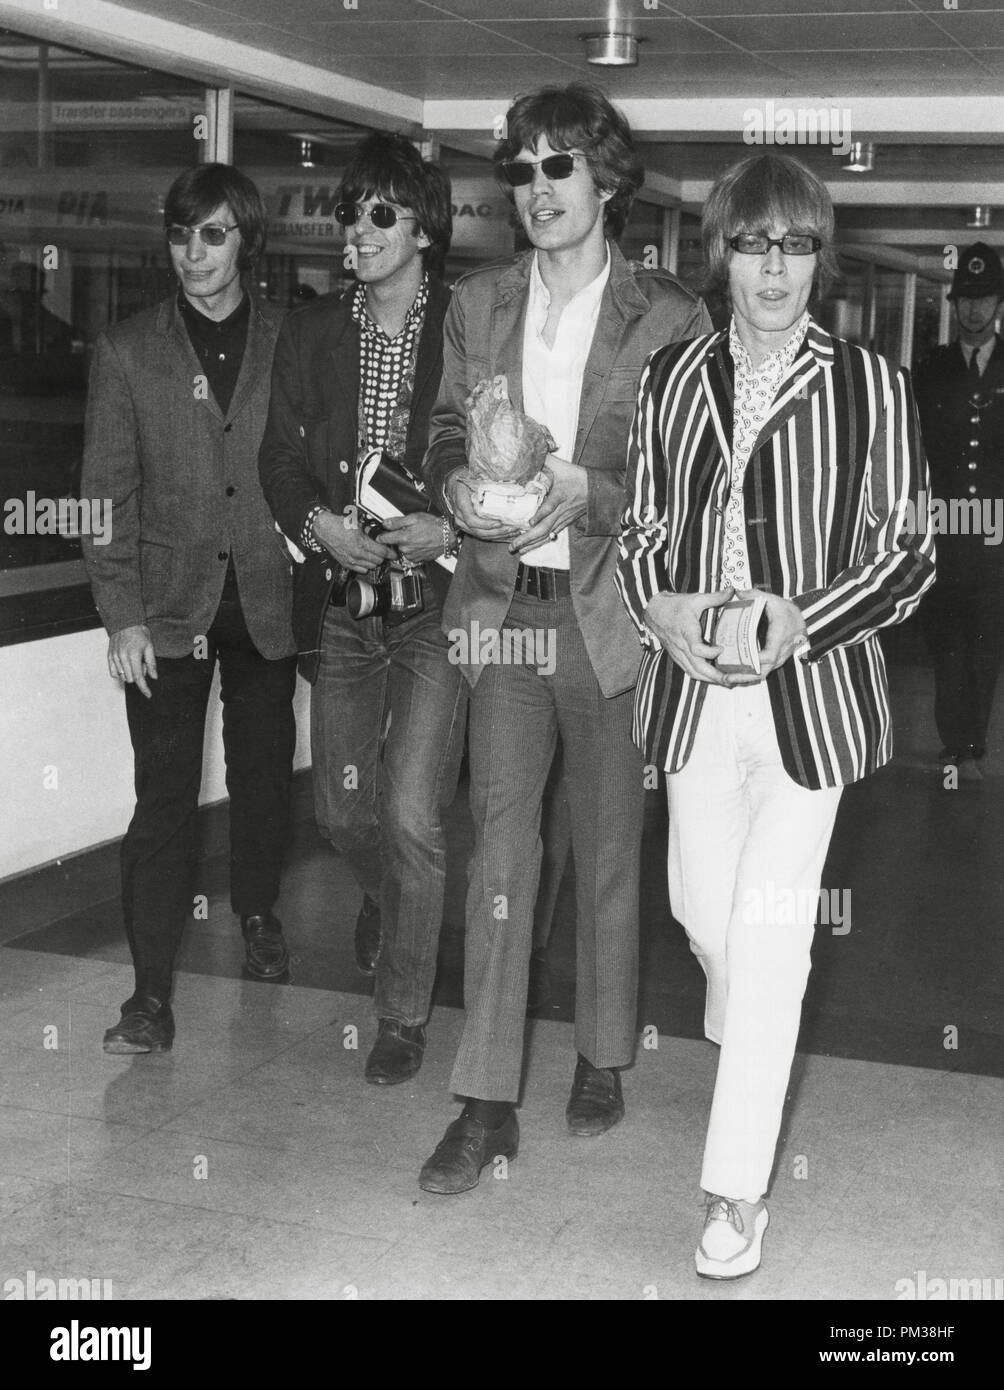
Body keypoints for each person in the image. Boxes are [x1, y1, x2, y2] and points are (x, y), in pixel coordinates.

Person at [616, 152, 936, 1279]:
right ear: (722, 252)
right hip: (696, 700)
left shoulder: (870, 387)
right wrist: (661, 607)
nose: (772, 269)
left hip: (811, 708)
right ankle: (751, 1002)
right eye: (752, 244)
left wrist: (804, 617)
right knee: (703, 917)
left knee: (767, 933)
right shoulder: (670, 378)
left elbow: (907, 556)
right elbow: (640, 533)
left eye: (793, 246)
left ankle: (733, 1193)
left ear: (819, 259)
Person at [419, 84, 711, 1195]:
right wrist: (455, 476)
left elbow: (687, 484)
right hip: (502, 613)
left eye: (558, 168)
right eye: (522, 170)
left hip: (606, 616)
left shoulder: (669, 315)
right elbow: (447, 426)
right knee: (500, 850)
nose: (536, 189)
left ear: (604, 182)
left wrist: (590, 488)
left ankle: (601, 1049)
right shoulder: (478, 304)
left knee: (602, 848)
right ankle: (485, 1099)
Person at [259, 133, 467, 1086]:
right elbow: (278, 460)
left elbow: (501, 455)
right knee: (346, 811)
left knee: (416, 813)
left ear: (423, 227)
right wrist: (316, 525)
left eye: (380, 213)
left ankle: (403, 1015)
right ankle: (394, 898)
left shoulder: (465, 324)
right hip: (345, 604)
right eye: (350, 213)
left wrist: (451, 534)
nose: (359, 230)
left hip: (434, 607)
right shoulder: (311, 331)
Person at [81, 164, 297, 1054]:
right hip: (168, 617)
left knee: (260, 779)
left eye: (212, 235)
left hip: (267, 608)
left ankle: (255, 912)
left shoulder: (293, 338)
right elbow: (106, 497)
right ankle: (150, 995)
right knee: (161, 800)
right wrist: (121, 616)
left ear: (245, 241)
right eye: (180, 234)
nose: (194, 253)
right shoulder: (129, 351)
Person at [915, 242, 1004, 779]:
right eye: (966, 300)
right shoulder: (933, 370)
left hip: (996, 539)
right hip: (946, 534)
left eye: (984, 298)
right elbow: (917, 452)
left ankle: (976, 739)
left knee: (986, 644)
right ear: (953, 305)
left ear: (998, 303)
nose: (974, 309)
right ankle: (954, 743)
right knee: (947, 643)